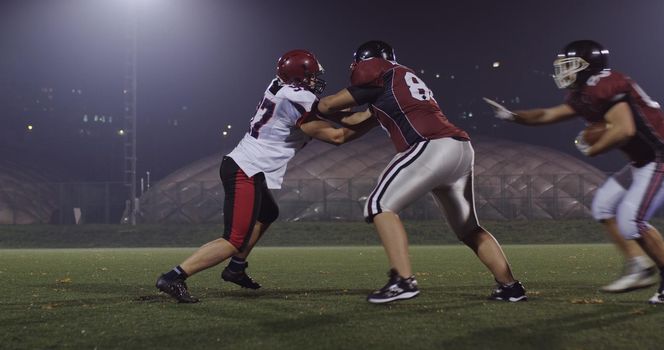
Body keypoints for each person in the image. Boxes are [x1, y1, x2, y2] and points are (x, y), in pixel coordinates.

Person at [155, 49, 376, 303]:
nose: (316, 81)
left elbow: (332, 112)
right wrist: (376, 114)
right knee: (233, 240)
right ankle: (174, 276)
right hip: (245, 169)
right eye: (312, 76)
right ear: (298, 79)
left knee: (268, 213)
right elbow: (337, 136)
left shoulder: (281, 88)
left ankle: (236, 268)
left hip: (249, 166)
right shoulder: (296, 99)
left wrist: (364, 107)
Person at [316, 40, 526, 304]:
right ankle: (510, 287)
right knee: (469, 228)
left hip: (430, 146)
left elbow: (328, 106)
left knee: (378, 205)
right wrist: (332, 111)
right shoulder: (397, 82)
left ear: (366, 61)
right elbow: (353, 121)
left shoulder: (379, 71)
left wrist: (309, 104)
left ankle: (404, 281)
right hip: (459, 149)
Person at [484, 39, 664, 303]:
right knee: (603, 205)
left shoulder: (604, 85)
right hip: (641, 161)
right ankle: (639, 265)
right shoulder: (584, 94)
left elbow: (624, 129)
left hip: (658, 156)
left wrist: (593, 148)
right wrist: (515, 116)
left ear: (588, 66)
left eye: (570, 65)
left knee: (631, 220)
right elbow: (548, 114)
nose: (564, 71)